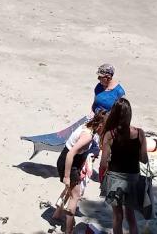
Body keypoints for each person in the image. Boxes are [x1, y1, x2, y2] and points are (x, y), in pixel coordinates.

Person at [99, 98, 150, 234]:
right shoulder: (140, 133)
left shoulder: (110, 134)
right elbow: (144, 159)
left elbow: (103, 163)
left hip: (115, 178)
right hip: (133, 178)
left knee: (117, 216)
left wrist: (102, 177)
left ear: (115, 114)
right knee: (131, 216)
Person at [52, 110, 106, 234]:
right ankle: (69, 230)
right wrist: (66, 176)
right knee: (75, 196)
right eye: (104, 130)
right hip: (69, 164)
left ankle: (57, 215)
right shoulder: (87, 136)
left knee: (71, 191)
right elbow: (70, 154)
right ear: (100, 126)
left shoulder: (88, 126)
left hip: (71, 162)